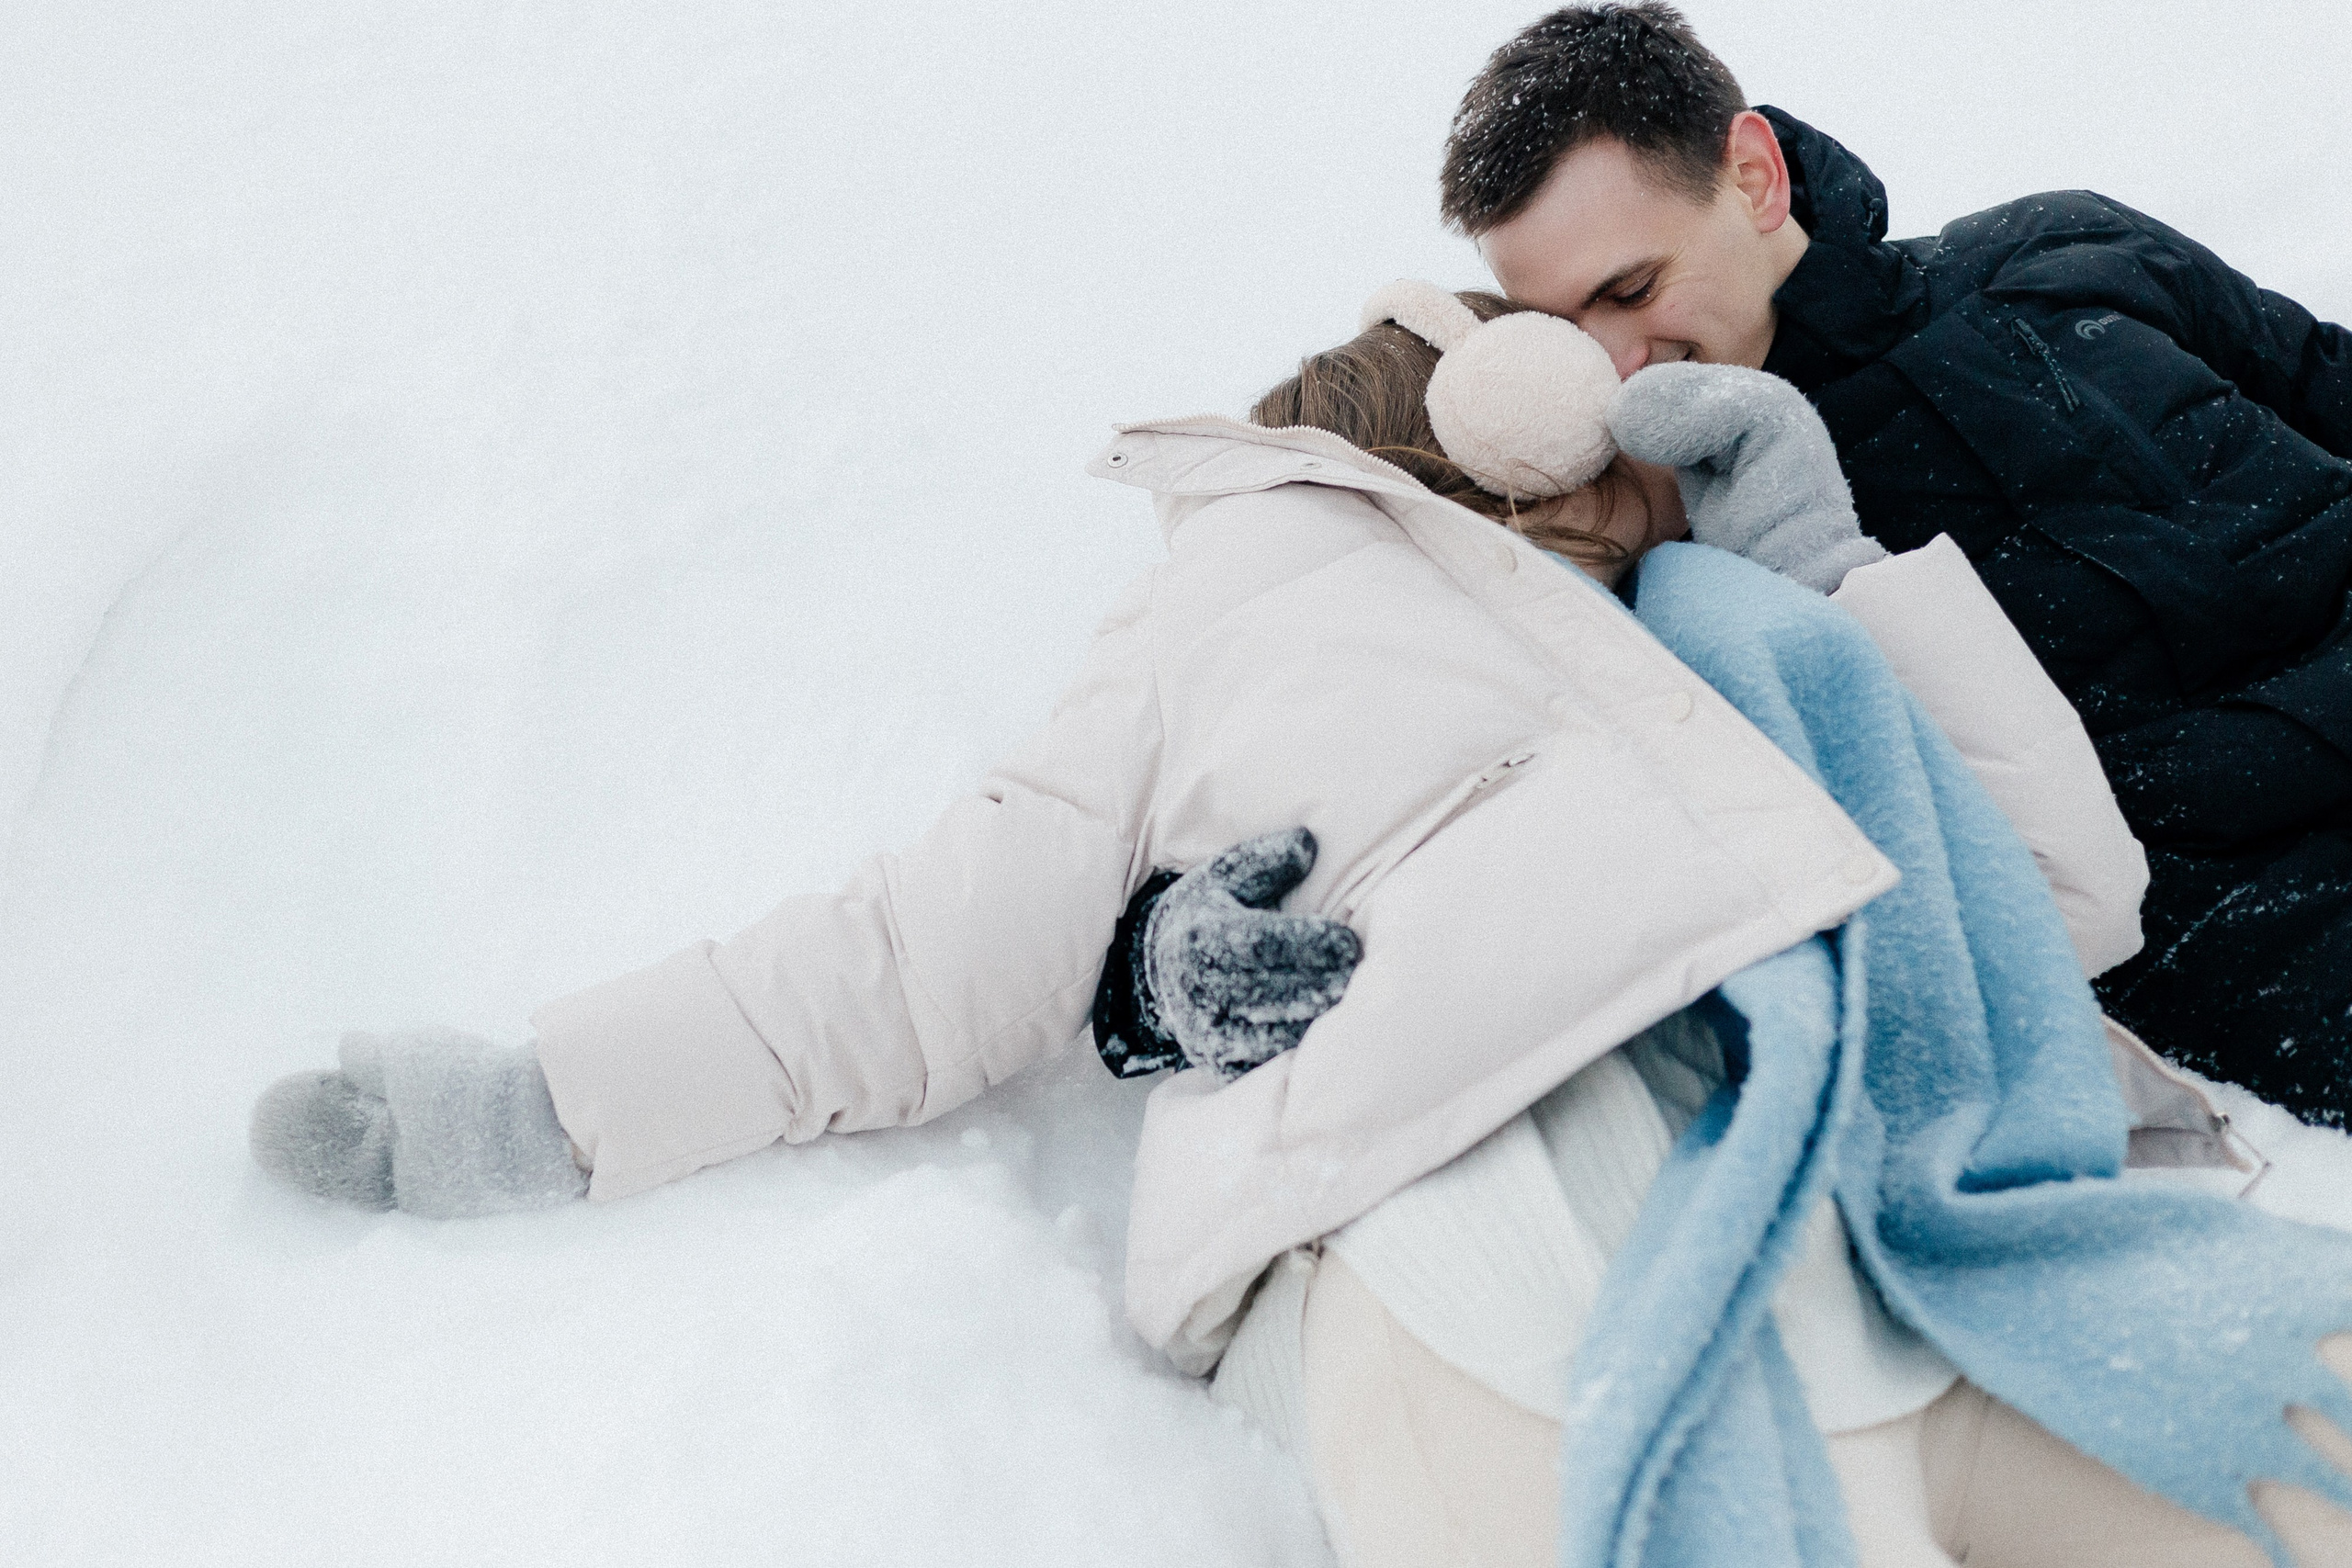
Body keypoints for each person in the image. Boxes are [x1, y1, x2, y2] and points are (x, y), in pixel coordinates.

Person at [252, 280, 2352, 1566]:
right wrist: (537, 1102)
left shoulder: (1722, 642)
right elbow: (927, 946)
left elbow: (2060, 888)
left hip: (1871, 1209)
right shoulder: (1244, 582)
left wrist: (1819, 564)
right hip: (1454, 1203)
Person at [1410, 1, 2352, 1128]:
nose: (1616, 368)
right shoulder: (1690, 545)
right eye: (1564, 331)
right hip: (2249, 921)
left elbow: (2324, 377)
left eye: (1629, 291)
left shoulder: (2059, 252)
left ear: (1753, 176)